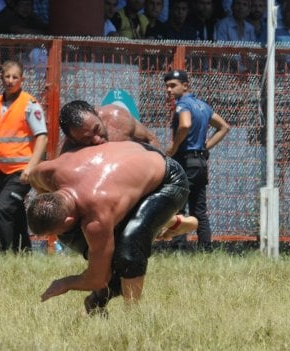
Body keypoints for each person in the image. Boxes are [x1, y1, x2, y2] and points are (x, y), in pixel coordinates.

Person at [27, 141, 189, 314]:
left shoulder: (96, 218)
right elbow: (32, 178)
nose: (58, 236)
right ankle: (169, 221)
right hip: (140, 155)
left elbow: (97, 279)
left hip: (170, 180)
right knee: (116, 239)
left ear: (68, 220)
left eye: (55, 233)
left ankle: (133, 319)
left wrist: (65, 283)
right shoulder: (45, 173)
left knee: (128, 250)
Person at [58, 100, 196, 237]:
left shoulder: (117, 118)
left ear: (97, 114)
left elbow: (150, 139)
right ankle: (175, 222)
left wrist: (157, 185)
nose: (96, 140)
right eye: (86, 139)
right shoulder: (69, 153)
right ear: (74, 141)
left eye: (97, 129)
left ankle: (169, 221)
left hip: (139, 170)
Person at [164, 70, 230, 251]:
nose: (168, 90)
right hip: (200, 163)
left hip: (185, 161)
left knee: (178, 206)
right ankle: (205, 248)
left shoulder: (182, 105)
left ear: (185, 85)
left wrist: (174, 147)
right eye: (167, 86)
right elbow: (224, 127)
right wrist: (205, 147)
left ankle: (178, 248)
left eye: (173, 85)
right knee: (199, 208)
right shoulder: (203, 106)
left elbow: (185, 124)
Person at [0, 60, 47, 254]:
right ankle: (24, 251)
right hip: (1, 171)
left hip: (22, 171)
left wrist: (31, 167)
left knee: (2, 209)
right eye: (7, 76)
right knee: (16, 211)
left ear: (22, 79)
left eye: (15, 77)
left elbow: (42, 137)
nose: (11, 81)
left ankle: (2, 253)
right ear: (1, 78)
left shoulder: (29, 104)